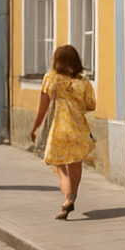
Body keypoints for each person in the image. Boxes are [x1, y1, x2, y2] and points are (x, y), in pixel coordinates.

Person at [29, 44, 96, 219]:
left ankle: (67, 197)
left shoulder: (51, 79)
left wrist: (35, 126)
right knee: (75, 162)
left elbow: (43, 106)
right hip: (79, 128)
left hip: (59, 127)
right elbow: (91, 105)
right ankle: (72, 196)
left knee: (58, 163)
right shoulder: (84, 83)